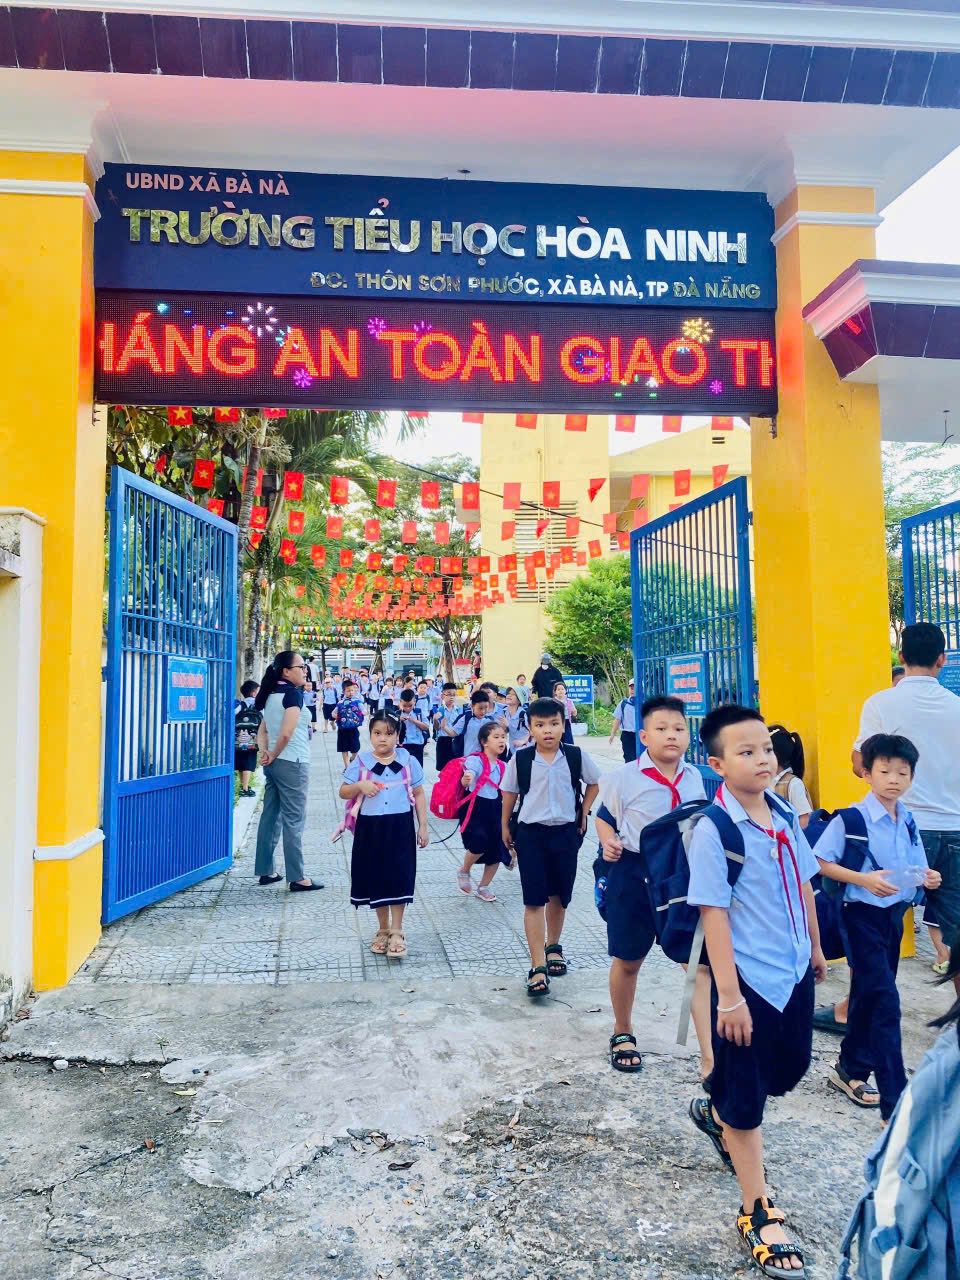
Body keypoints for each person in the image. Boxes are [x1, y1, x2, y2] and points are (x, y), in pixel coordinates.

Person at [687, 704, 827, 1276]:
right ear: (718, 764)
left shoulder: (785, 813)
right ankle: (758, 1211)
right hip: (747, 980)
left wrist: (815, 947)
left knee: (788, 1070)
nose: (762, 759)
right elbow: (713, 913)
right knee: (747, 1102)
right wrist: (729, 997)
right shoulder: (713, 830)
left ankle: (716, 1104)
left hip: (792, 972)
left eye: (765, 749)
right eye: (745, 752)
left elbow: (805, 884)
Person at [816, 732, 941, 1120]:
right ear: (866, 773)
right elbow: (818, 862)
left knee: (869, 995)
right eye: (885, 771)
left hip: (893, 918)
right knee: (886, 1002)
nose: (894, 779)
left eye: (903, 772)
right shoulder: (851, 819)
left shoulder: (908, 820)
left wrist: (928, 877)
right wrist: (863, 880)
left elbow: (916, 866)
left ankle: (850, 1069)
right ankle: (894, 1101)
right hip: (860, 917)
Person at [596, 695, 710, 1076]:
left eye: (678, 728)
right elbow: (605, 817)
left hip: (680, 877)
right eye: (661, 729)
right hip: (633, 873)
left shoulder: (694, 777)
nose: (671, 735)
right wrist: (608, 841)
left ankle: (711, 1054)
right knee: (629, 960)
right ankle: (622, 1030)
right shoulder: (625, 777)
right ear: (644, 736)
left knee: (696, 962)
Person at [853, 623, 960, 989]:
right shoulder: (957, 707)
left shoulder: (880, 703)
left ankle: (857, 1007)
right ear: (942, 660)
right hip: (955, 827)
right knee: (957, 931)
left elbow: (859, 763)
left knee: (878, 921)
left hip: (901, 826)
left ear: (901, 656)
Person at [501, 697, 601, 998]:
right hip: (531, 834)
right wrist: (504, 826)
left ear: (563, 724)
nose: (548, 730)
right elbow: (509, 793)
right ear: (530, 728)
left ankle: (553, 946)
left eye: (554, 724)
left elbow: (594, 782)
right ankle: (537, 966)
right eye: (540, 725)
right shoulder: (521, 759)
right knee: (534, 899)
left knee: (560, 894)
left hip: (565, 833)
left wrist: (584, 811)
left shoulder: (575, 756)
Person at [341, 711, 429, 959]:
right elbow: (343, 791)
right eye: (377, 733)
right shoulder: (361, 762)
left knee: (400, 874)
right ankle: (382, 928)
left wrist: (423, 826)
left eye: (389, 733)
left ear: (398, 736)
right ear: (370, 735)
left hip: (400, 826)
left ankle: (397, 930)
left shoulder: (409, 761)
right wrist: (360, 786)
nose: (383, 738)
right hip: (371, 828)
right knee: (376, 875)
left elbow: (419, 794)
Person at [253, 651, 323, 892]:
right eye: (301, 667)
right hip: (293, 762)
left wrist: (265, 752)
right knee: (293, 819)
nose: (305, 671)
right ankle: (297, 877)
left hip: (275, 764)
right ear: (286, 671)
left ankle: (265, 871)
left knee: (270, 816)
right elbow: (286, 733)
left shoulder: (271, 694)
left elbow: (262, 730)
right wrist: (272, 753)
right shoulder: (292, 694)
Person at [457, 722, 513, 902]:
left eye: (503, 737)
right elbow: (469, 774)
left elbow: (509, 789)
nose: (501, 740)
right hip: (475, 809)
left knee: (496, 850)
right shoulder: (475, 760)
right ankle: (464, 870)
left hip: (495, 809)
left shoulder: (504, 766)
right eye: (496, 737)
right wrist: (467, 778)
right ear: (484, 742)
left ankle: (484, 886)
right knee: (478, 843)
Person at [769, 724, 813, 829]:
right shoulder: (764, 782)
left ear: (776, 755)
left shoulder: (793, 784)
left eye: (766, 751)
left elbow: (804, 820)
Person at [234, 679, 261, 798]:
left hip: (239, 739)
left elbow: (232, 715)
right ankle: (245, 789)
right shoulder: (259, 706)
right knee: (248, 764)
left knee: (241, 763)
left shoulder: (241, 705)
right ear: (254, 693)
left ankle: (243, 786)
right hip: (252, 739)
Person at [334, 678, 365, 768]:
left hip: (353, 729)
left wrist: (363, 713)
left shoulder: (357, 702)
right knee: (344, 749)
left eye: (352, 690)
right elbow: (334, 712)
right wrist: (335, 715)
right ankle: (347, 767)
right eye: (348, 691)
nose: (351, 692)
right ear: (343, 691)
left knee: (355, 749)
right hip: (342, 730)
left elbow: (364, 710)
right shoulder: (340, 703)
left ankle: (352, 758)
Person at [461, 688, 499, 759]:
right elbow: (454, 732)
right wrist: (444, 727)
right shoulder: (466, 719)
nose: (483, 711)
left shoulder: (490, 722)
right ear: (472, 706)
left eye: (486, 708)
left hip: (485, 759)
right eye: (480, 708)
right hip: (468, 758)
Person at [398, 689, 429, 767]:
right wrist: (398, 720)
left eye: (410, 705)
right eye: (405, 706)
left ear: (414, 701)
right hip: (402, 745)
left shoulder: (419, 713)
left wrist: (414, 720)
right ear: (400, 702)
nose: (408, 708)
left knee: (417, 767)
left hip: (417, 745)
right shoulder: (397, 714)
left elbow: (426, 727)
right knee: (403, 768)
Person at [609, 678, 638, 762]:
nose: (633, 690)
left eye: (635, 688)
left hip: (641, 735)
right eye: (631, 688)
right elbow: (617, 719)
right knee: (629, 759)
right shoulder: (623, 703)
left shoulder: (644, 703)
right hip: (627, 735)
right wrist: (613, 734)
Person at [434, 683, 461, 772]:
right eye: (449, 694)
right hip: (443, 741)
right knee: (443, 769)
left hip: (455, 741)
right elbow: (437, 728)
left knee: (456, 769)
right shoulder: (440, 710)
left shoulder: (459, 710)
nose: (451, 697)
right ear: (442, 696)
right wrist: (435, 720)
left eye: (454, 695)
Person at [503, 687, 531, 756]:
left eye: (513, 694)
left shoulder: (523, 714)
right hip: (512, 751)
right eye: (508, 693)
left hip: (525, 750)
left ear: (519, 700)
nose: (509, 695)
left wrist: (523, 741)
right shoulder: (505, 712)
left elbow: (534, 731)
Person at [553, 679, 577, 745]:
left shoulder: (569, 701)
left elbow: (574, 713)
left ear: (565, 691)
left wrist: (574, 711)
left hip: (566, 723)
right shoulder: (552, 701)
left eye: (562, 689)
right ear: (555, 692)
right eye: (558, 689)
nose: (561, 691)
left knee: (568, 741)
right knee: (557, 740)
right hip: (555, 723)